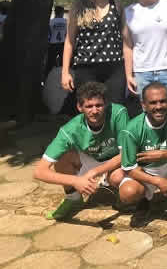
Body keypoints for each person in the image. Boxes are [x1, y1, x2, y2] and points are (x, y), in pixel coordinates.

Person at [34, 81, 128, 220]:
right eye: (89, 106)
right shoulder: (69, 130)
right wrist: (75, 181)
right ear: (79, 107)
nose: (94, 111)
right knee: (62, 157)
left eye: (99, 105)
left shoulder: (118, 113)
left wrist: (95, 172)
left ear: (106, 104)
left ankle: (123, 196)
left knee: (119, 179)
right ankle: (73, 198)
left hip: (116, 161)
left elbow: (126, 154)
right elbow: (39, 171)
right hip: (91, 159)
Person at [118, 82, 167, 226]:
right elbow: (129, 168)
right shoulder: (131, 129)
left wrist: (162, 154)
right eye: (153, 103)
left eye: (163, 101)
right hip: (146, 170)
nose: (159, 106)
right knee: (127, 193)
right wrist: (158, 181)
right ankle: (144, 201)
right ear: (143, 105)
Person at [61, 0, 127, 105]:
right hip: (86, 68)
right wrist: (65, 72)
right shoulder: (78, 7)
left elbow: (127, 41)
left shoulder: (116, 4)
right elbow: (69, 42)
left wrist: (129, 71)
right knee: (91, 109)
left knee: (116, 108)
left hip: (114, 68)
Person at [46, 5, 67, 78]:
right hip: (63, 44)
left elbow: (48, 34)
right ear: (62, 12)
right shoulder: (66, 22)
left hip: (52, 44)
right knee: (63, 63)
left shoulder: (50, 22)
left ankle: (47, 77)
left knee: (50, 63)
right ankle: (62, 77)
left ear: (55, 12)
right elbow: (66, 34)